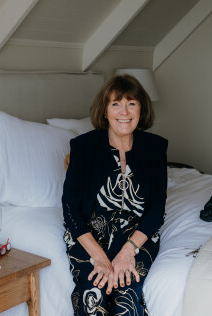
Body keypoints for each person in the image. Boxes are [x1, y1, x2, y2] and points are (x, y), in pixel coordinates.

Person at [62, 74, 168, 315]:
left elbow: (157, 209)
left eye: (132, 103)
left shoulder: (155, 148)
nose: (124, 112)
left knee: (126, 293)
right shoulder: (83, 147)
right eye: (116, 103)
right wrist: (99, 257)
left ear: (141, 109)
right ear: (105, 110)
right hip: (89, 235)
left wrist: (128, 251)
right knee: (94, 291)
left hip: (137, 236)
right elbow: (70, 208)